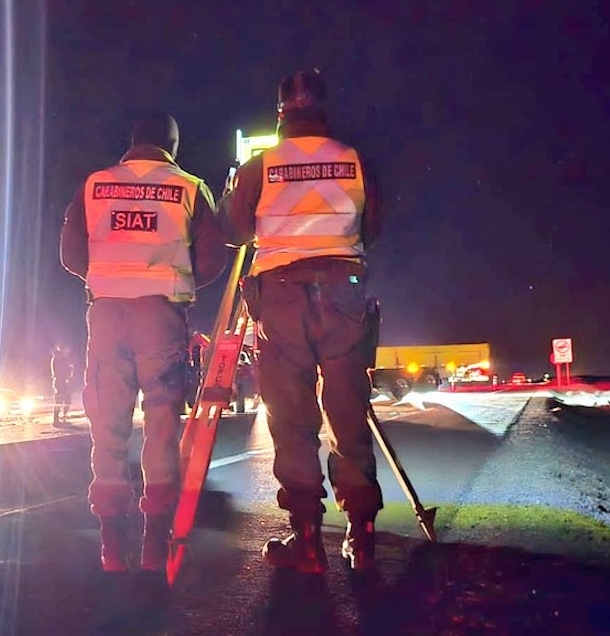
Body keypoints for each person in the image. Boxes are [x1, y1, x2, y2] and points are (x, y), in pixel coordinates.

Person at [219, 68, 383, 574]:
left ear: (280, 112)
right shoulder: (354, 159)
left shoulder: (261, 166)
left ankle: (308, 541)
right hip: (342, 291)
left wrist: (233, 192)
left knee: (291, 419)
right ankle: (362, 536)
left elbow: (233, 231)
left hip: (281, 296)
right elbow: (372, 227)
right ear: (324, 108)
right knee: (348, 413)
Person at [60, 112, 228, 573]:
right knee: (162, 426)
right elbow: (212, 258)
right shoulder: (189, 187)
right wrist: (175, 282)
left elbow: (70, 254)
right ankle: (155, 544)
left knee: (107, 427)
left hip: (107, 315)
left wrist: (109, 279)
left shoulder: (95, 185)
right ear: (171, 147)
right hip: (161, 316)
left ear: (133, 142)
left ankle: (112, 548)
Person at [51, 343, 76, 427]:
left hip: (64, 381)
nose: (68, 351)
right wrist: (69, 369)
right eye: (67, 349)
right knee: (59, 400)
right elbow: (60, 371)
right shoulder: (58, 359)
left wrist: (70, 370)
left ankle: (63, 417)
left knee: (67, 400)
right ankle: (56, 419)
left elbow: (68, 370)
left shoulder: (64, 359)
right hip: (60, 381)